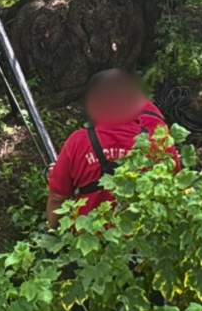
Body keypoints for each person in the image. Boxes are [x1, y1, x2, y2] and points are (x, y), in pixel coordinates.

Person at [46, 69, 177, 229]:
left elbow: (57, 198)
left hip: (90, 240)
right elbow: (174, 188)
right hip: (144, 240)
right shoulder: (158, 138)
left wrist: (54, 235)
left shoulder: (78, 142)